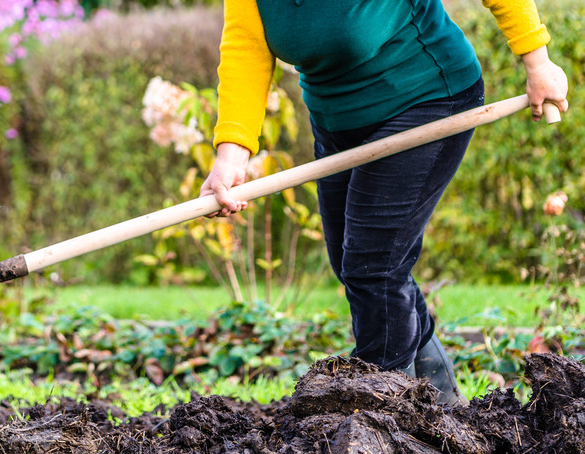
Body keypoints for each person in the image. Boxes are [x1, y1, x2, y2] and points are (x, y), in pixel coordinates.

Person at [200, 0, 569, 406]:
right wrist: (231, 155)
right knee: (355, 266)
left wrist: (538, 61)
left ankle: (385, 413)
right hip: (337, 120)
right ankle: (443, 404)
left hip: (425, 97)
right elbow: (246, 47)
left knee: (373, 268)